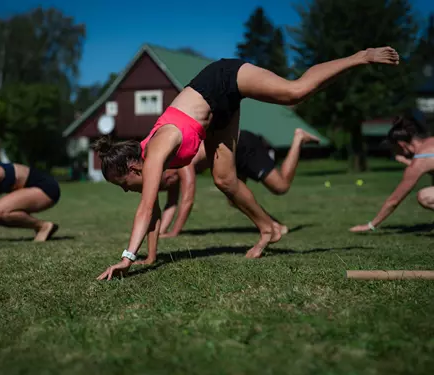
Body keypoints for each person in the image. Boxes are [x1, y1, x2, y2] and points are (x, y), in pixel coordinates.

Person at [96, 46, 399, 280]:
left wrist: (126, 258)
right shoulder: (150, 160)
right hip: (216, 118)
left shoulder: (155, 152)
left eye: (123, 185)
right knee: (225, 180)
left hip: (222, 79)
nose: (126, 191)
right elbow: (155, 211)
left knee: (295, 92)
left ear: (133, 168)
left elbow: (146, 209)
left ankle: (360, 57)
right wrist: (148, 258)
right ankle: (268, 229)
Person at [157, 128, 319, 244]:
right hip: (230, 157)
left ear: (167, 175)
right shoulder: (170, 171)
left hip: (242, 146)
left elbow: (187, 199)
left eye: (168, 184)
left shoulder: (182, 163)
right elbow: (171, 203)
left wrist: (174, 232)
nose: (172, 187)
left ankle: (298, 138)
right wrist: (161, 232)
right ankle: (274, 225)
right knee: (234, 200)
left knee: (281, 186)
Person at [350, 115, 434, 233]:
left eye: (393, 148)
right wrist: (408, 162)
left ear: (400, 144)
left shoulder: (420, 161)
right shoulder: (430, 143)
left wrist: (370, 225)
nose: (394, 152)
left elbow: (394, 200)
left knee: (424, 196)